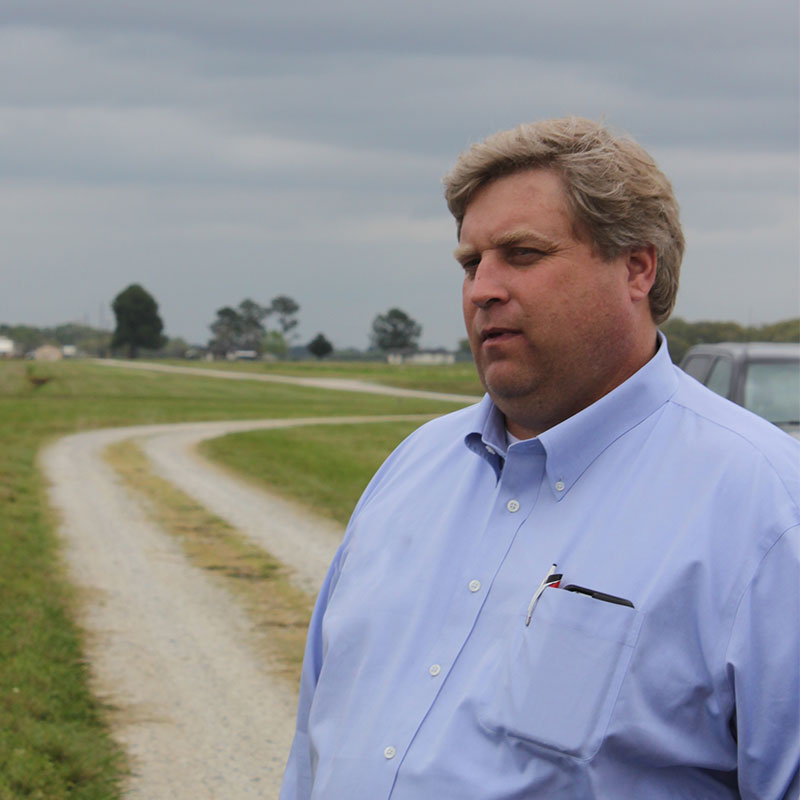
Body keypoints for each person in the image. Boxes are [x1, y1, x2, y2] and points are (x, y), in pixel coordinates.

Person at [280, 117, 800, 799]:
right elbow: (316, 742)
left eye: (521, 254)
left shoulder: (764, 505)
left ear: (637, 266)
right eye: (471, 263)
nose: (482, 289)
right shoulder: (413, 469)